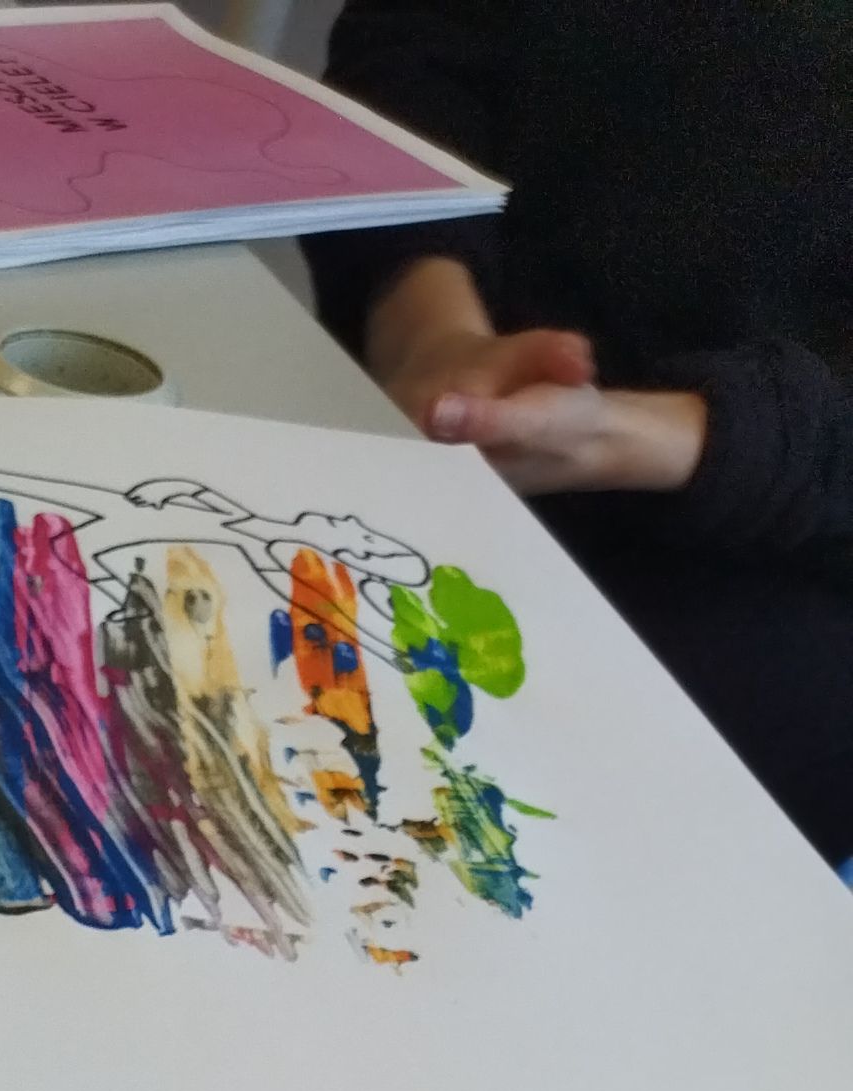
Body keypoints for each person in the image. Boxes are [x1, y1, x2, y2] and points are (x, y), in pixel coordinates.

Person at [314, 0, 853, 864]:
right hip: (434, 415)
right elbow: (417, 49)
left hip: (788, 560)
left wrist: (674, 435)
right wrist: (429, 324)